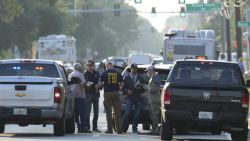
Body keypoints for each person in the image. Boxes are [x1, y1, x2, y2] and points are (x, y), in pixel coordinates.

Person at [99, 61, 123, 134]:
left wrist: (102, 86)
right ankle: (119, 130)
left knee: (108, 112)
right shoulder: (118, 73)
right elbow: (122, 84)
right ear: (112, 66)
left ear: (106, 66)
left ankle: (110, 130)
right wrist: (117, 87)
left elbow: (100, 84)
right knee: (117, 112)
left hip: (107, 94)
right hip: (116, 93)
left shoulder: (104, 74)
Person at [68, 63, 91, 133]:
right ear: (79, 68)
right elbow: (83, 84)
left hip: (72, 96)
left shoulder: (70, 75)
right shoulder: (80, 75)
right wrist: (88, 85)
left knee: (75, 113)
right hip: (80, 96)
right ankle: (83, 128)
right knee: (82, 113)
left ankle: (78, 125)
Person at [122, 63, 145, 134]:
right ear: (131, 69)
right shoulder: (126, 78)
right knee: (127, 113)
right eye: (133, 68)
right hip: (130, 98)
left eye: (135, 68)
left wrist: (142, 90)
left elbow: (143, 88)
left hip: (138, 98)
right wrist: (127, 91)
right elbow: (122, 89)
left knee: (137, 114)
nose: (134, 69)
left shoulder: (140, 78)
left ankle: (134, 129)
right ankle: (123, 128)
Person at [84, 60, 101, 132]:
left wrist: (99, 86)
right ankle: (87, 127)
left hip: (96, 94)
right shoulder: (85, 74)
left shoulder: (97, 73)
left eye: (90, 65)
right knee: (87, 112)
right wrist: (94, 85)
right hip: (88, 94)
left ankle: (95, 127)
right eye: (88, 65)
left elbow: (100, 83)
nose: (89, 66)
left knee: (96, 112)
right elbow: (86, 83)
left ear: (93, 65)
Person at [146, 65, 161, 135]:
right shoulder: (152, 78)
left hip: (155, 100)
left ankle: (155, 130)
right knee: (152, 115)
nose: (147, 72)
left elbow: (156, 88)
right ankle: (154, 129)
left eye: (148, 70)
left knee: (155, 115)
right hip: (151, 100)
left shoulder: (156, 77)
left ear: (152, 70)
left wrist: (148, 88)